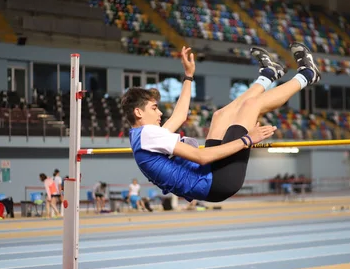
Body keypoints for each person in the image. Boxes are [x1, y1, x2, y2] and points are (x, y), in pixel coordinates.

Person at [121, 43, 320, 203]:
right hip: (216, 182)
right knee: (251, 105)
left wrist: (188, 76)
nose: (160, 112)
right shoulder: (148, 135)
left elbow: (180, 116)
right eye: (154, 108)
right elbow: (201, 156)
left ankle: (268, 75)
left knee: (220, 116)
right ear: (138, 112)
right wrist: (247, 139)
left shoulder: (144, 136)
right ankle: (307, 74)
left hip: (209, 176)